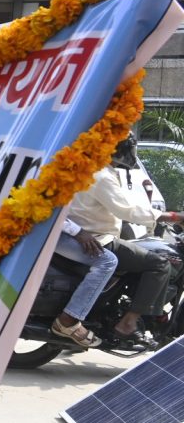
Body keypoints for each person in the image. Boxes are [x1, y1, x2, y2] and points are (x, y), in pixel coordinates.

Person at [66, 133, 183, 348]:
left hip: (92, 231)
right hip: (98, 237)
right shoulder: (101, 175)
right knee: (159, 264)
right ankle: (128, 323)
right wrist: (172, 216)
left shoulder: (90, 166)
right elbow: (126, 209)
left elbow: (125, 204)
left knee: (142, 250)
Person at [48, 218, 117, 348]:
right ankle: (68, 320)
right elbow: (51, 209)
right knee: (108, 261)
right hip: (50, 229)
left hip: (57, 226)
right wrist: (78, 232)